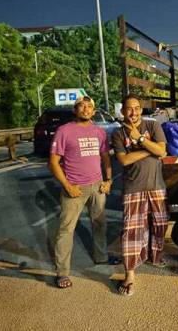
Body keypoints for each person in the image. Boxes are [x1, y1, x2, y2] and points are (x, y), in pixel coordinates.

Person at [49, 96, 112, 289]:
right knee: (66, 230)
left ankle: (101, 257)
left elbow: (106, 158)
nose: (86, 109)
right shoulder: (64, 131)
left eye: (89, 107)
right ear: (75, 110)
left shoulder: (99, 132)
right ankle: (62, 273)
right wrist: (67, 186)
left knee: (100, 224)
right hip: (74, 188)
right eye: (82, 106)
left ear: (93, 111)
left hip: (97, 186)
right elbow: (53, 162)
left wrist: (108, 180)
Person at [112, 95, 169, 296]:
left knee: (160, 224)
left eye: (136, 108)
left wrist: (141, 139)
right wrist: (150, 149)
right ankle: (130, 274)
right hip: (133, 188)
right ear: (122, 112)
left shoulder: (152, 126)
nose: (133, 112)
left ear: (141, 110)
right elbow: (125, 160)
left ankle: (155, 256)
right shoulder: (118, 134)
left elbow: (162, 151)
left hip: (157, 186)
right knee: (131, 230)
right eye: (129, 109)